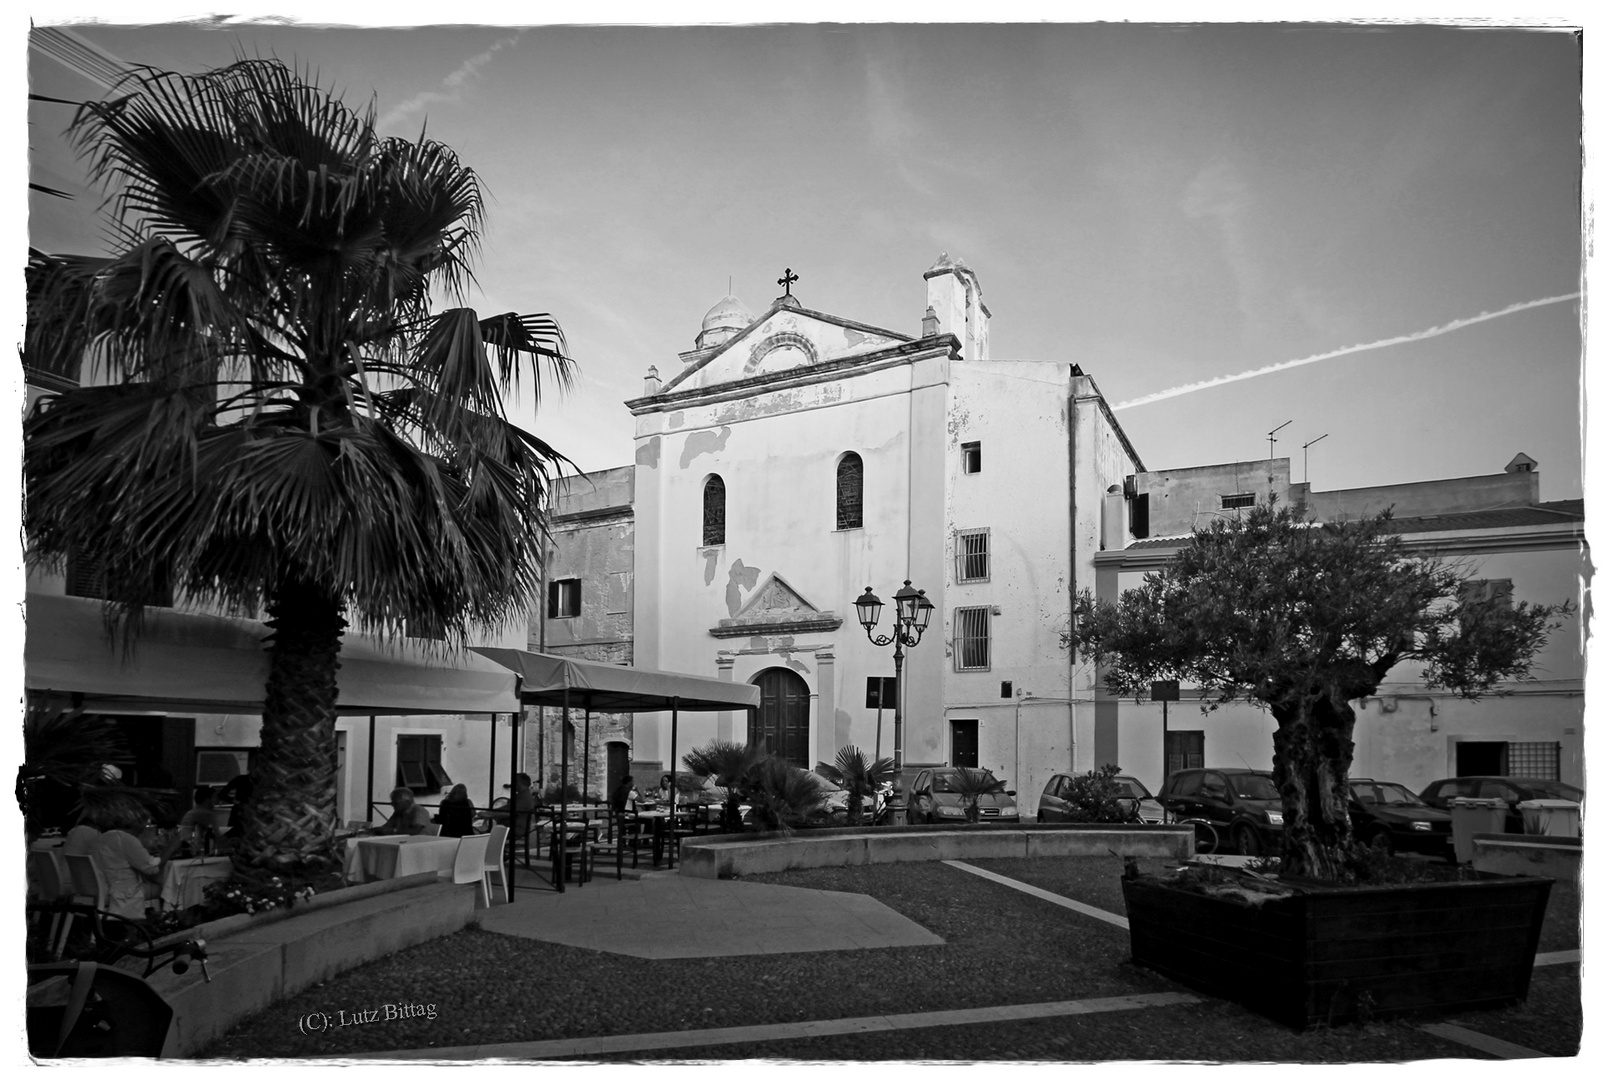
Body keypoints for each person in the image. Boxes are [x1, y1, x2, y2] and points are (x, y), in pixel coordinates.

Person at [90, 802, 181, 920]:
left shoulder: (104, 837)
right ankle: (166, 922)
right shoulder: (126, 840)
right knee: (167, 886)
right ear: (136, 822)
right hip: (124, 893)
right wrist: (172, 846)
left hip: (103, 889)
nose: (145, 827)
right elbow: (152, 868)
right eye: (145, 822)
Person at [178, 787, 218, 853]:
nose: (216, 800)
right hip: (201, 852)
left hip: (187, 850)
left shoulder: (189, 813)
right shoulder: (207, 814)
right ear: (207, 800)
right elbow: (217, 836)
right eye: (214, 797)